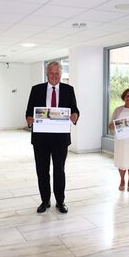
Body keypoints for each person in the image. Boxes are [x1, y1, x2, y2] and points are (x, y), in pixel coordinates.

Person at [26, 61, 79, 213]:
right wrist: (29, 119)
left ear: (61, 74)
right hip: (41, 138)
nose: (54, 76)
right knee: (42, 170)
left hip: (60, 138)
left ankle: (60, 202)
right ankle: (45, 201)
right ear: (47, 74)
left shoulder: (69, 90)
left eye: (57, 73)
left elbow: (74, 109)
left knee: (59, 170)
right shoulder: (36, 90)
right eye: (51, 73)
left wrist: (75, 116)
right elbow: (29, 111)